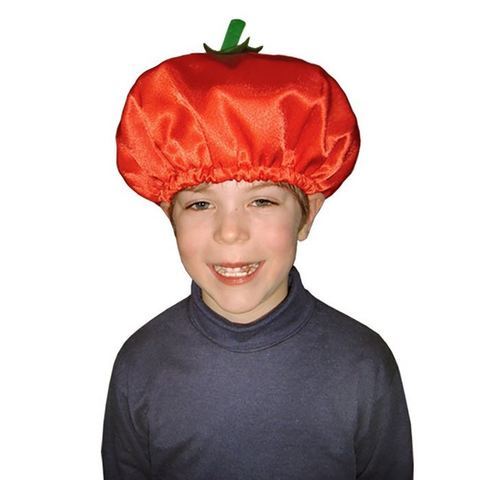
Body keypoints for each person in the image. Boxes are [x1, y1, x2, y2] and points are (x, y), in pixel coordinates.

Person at [102, 19, 413, 480]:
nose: (230, 233)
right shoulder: (140, 364)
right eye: (201, 203)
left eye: (262, 201)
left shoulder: (364, 365)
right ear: (170, 217)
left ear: (307, 215)